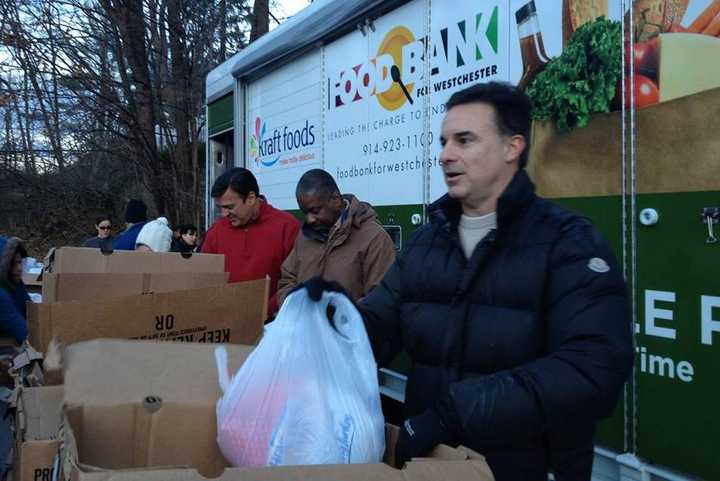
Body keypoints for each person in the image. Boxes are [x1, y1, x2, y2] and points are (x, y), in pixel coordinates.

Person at [299, 82, 633, 481]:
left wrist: (453, 413)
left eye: (464, 140)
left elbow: (593, 370)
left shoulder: (568, 243)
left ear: (513, 147)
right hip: (433, 468)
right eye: (443, 141)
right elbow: (378, 329)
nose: (445, 155)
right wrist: (336, 315)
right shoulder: (427, 243)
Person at [277, 169, 396, 306]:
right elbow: (287, 279)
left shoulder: (375, 238)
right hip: (304, 326)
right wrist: (295, 307)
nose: (309, 219)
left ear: (335, 200)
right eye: (305, 213)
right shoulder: (304, 237)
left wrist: (337, 315)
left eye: (315, 211)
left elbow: (381, 299)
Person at [201, 168, 300, 315]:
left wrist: (264, 312)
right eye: (220, 208)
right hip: (225, 323)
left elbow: (295, 280)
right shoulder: (216, 231)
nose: (224, 214)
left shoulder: (287, 226)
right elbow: (204, 278)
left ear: (251, 198)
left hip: (274, 325)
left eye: (229, 207)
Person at [0, 236, 29, 344]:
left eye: (20, 262)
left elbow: (33, 312)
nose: (19, 268)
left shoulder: (16, 285)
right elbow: (23, 332)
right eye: (14, 264)